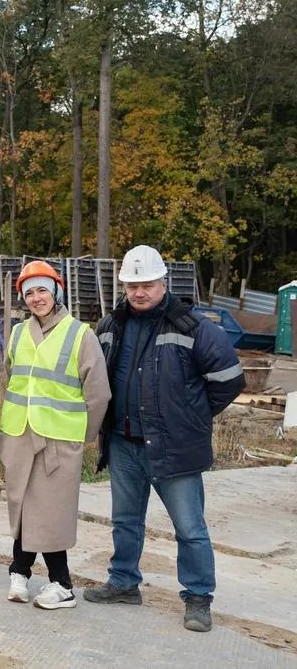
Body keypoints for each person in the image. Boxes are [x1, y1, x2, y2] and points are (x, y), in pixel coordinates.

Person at [83, 245, 244, 633]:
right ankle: (123, 582)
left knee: (189, 526)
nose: (140, 292)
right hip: (123, 444)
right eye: (133, 285)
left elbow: (229, 381)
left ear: (164, 283)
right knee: (125, 521)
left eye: (148, 284)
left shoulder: (193, 326)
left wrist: (191, 417)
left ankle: (198, 597)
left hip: (173, 446)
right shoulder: (109, 326)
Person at [1, 260, 110, 610]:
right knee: (21, 504)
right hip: (20, 432)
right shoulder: (18, 333)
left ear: (57, 292)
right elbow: (11, 376)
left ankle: (62, 584)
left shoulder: (81, 334)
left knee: (50, 511)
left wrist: (83, 435)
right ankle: (19, 570)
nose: (36, 298)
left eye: (42, 290)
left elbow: (98, 393)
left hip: (59, 439)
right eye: (29, 292)